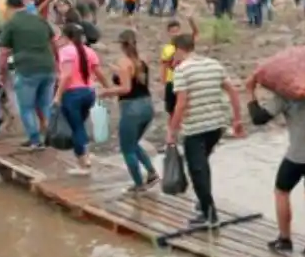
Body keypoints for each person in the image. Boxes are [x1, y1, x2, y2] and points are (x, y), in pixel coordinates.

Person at [246, 77, 305, 257]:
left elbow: (258, 118)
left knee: (281, 192)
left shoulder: (286, 96)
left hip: (297, 155)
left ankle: (285, 239)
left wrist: (251, 92)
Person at [168, 35, 244, 227]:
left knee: (196, 169)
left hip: (195, 128)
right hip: (216, 126)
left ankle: (209, 215)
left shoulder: (182, 71)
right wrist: (237, 119)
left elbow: (181, 103)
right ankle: (203, 205)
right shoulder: (213, 64)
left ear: (178, 49)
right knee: (202, 164)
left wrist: (172, 130)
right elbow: (233, 91)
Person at [100, 30, 160, 193]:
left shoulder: (124, 62)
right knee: (133, 144)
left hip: (131, 108)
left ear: (121, 44)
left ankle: (138, 185)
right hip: (147, 106)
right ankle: (152, 173)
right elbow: (136, 80)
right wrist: (117, 71)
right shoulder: (142, 60)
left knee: (126, 148)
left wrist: (106, 92)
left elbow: (126, 88)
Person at [0, 0, 57, 149]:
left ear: (10, 8)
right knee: (45, 105)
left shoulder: (11, 24)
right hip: (48, 67)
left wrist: (0, 72)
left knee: (27, 107)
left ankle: (34, 139)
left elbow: (4, 51)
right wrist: (56, 62)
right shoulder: (40, 20)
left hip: (27, 69)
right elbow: (53, 43)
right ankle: (50, 137)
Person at [52, 23, 107, 175]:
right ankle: (85, 155)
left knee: (76, 128)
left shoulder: (66, 51)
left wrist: (57, 95)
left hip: (72, 94)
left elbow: (67, 75)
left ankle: (83, 161)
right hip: (88, 92)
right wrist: (108, 88)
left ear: (66, 36)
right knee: (80, 126)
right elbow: (98, 72)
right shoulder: (88, 50)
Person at [160, 16, 199, 117]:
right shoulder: (167, 48)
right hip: (172, 81)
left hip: (185, 79)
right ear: (168, 33)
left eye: (177, 31)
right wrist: (163, 82)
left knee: (185, 107)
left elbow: (196, 34)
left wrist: (191, 20)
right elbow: (164, 66)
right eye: (172, 31)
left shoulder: (185, 45)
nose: (175, 34)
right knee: (171, 110)